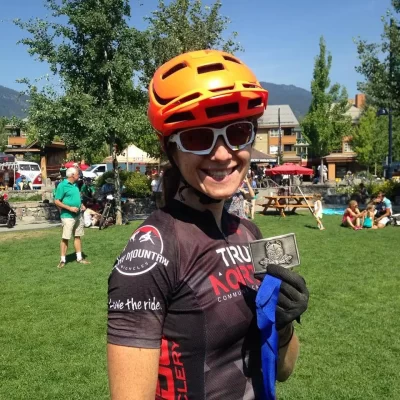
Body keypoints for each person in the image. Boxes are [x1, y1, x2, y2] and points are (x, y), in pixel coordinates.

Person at [107, 49, 309, 399]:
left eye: (238, 132)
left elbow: (283, 371)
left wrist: (283, 324)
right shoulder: (152, 255)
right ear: (170, 148)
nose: (222, 154)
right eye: (199, 138)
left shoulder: (248, 233)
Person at [54, 167, 90, 268]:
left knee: (77, 236)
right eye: (78, 174)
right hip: (67, 216)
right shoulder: (62, 185)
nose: (79, 175)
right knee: (65, 238)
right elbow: (57, 201)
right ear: (72, 175)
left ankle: (79, 258)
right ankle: (62, 260)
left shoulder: (75, 185)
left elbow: (75, 198)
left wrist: (81, 205)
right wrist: (69, 208)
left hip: (78, 215)